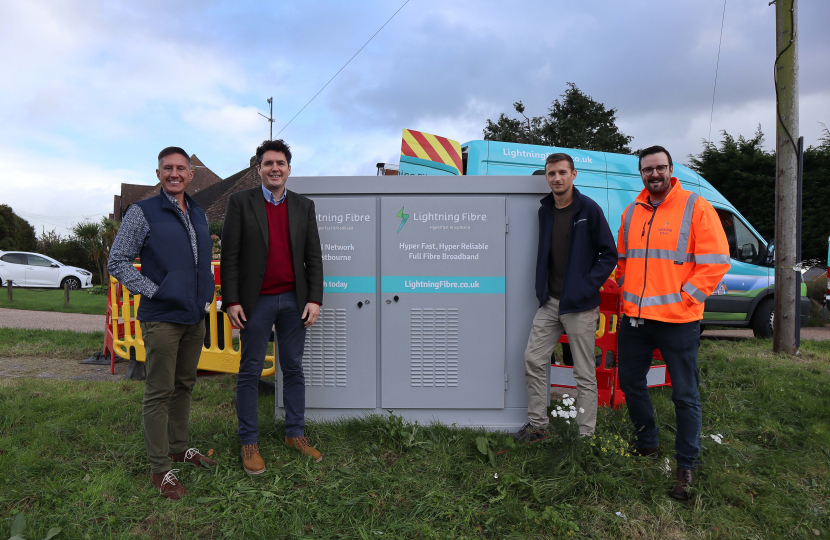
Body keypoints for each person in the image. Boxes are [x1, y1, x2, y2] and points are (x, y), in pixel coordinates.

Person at [615, 145, 730, 501]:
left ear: (670, 169)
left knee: (684, 394)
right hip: (635, 319)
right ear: (641, 173)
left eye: (660, 168)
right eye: (648, 169)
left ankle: (686, 465)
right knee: (630, 383)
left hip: (678, 320)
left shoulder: (696, 207)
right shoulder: (631, 212)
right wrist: (623, 286)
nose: (655, 174)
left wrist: (687, 298)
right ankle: (647, 443)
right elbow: (623, 259)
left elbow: (716, 261)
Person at [108, 147, 217, 501]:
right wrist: (155, 291)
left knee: (184, 384)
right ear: (158, 174)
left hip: (194, 315)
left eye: (180, 168)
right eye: (167, 168)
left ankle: (178, 447)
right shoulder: (143, 211)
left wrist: (206, 296)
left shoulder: (199, 213)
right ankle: (160, 469)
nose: (174, 173)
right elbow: (118, 260)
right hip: (162, 318)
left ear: (191, 174)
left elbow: (200, 264)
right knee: (158, 391)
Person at [220, 139, 323, 474]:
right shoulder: (240, 203)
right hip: (256, 302)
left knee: (293, 368)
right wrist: (231, 300)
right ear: (259, 169)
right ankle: (249, 441)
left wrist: (314, 299)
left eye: (280, 163)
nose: (274, 168)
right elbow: (230, 256)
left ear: (289, 169)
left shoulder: (303, 206)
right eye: (268, 163)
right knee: (249, 371)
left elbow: (313, 257)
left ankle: (295, 434)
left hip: (294, 300)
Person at [514, 153, 618, 442]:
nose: (557, 178)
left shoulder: (589, 209)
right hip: (550, 303)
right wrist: (541, 289)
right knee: (533, 359)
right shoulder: (545, 210)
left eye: (562, 172)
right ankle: (538, 427)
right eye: (551, 174)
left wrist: (587, 286)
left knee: (584, 373)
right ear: (546, 177)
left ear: (574, 174)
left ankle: (585, 437)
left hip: (581, 306)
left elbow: (609, 253)